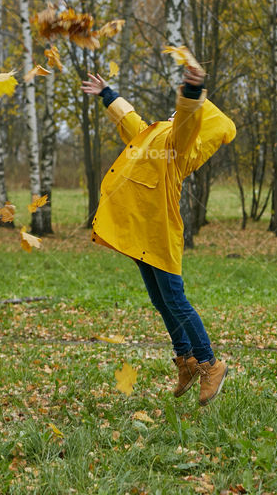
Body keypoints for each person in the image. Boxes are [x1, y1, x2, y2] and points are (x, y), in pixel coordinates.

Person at [81, 60, 236, 405]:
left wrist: (193, 92)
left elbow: (187, 120)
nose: (171, 113)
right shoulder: (157, 135)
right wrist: (108, 94)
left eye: (180, 112)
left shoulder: (181, 146)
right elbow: (131, 124)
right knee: (160, 299)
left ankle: (211, 363)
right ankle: (187, 360)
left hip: (160, 232)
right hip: (140, 230)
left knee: (176, 300)